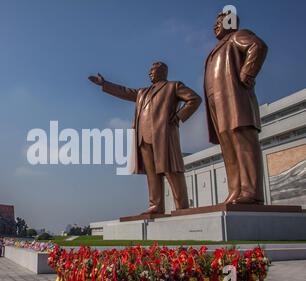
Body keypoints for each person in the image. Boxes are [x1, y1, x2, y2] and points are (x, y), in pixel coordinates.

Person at [89, 62, 201, 214]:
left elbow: (194, 99)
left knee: (171, 170)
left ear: (163, 72)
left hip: (163, 135)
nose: (149, 73)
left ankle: (181, 206)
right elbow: (124, 91)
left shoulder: (173, 86)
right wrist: (105, 84)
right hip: (143, 137)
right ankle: (156, 205)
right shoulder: (142, 92)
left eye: (153, 71)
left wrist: (179, 116)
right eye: (149, 71)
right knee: (152, 174)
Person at [204, 11, 268, 204]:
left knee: (244, 144)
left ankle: (251, 191)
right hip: (219, 104)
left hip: (235, 100)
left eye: (219, 22)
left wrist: (247, 73)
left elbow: (258, 45)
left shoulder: (237, 36)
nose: (215, 26)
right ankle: (235, 190)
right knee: (229, 149)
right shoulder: (218, 48)